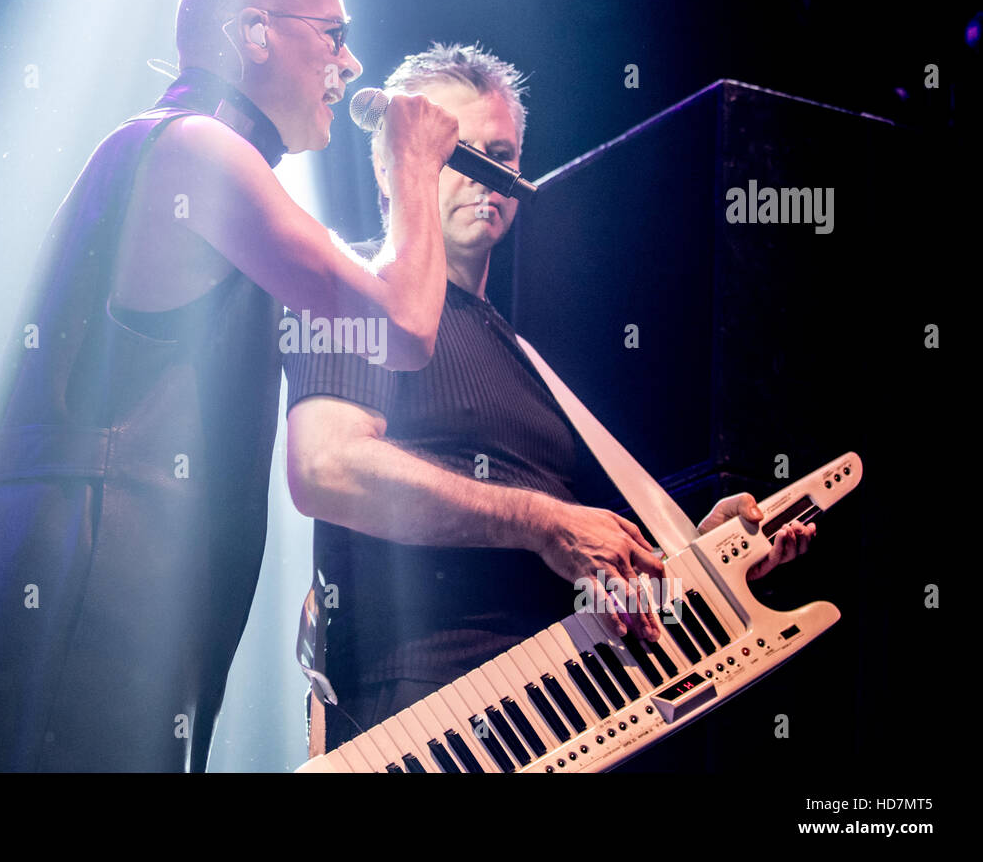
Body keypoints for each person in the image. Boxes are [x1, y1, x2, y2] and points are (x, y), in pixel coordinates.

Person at [0, 0, 458, 772]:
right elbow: (403, 324)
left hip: (87, 556)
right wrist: (414, 165)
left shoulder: (184, 154)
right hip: (93, 566)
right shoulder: (197, 151)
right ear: (253, 32)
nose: (351, 63)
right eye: (333, 34)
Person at [282, 43, 817, 755]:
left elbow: (572, 565)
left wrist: (701, 557)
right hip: (426, 732)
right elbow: (327, 468)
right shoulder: (351, 289)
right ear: (390, 165)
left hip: (564, 720)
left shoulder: (528, 358)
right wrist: (540, 520)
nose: (484, 178)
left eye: (499, 155)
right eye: (455, 153)